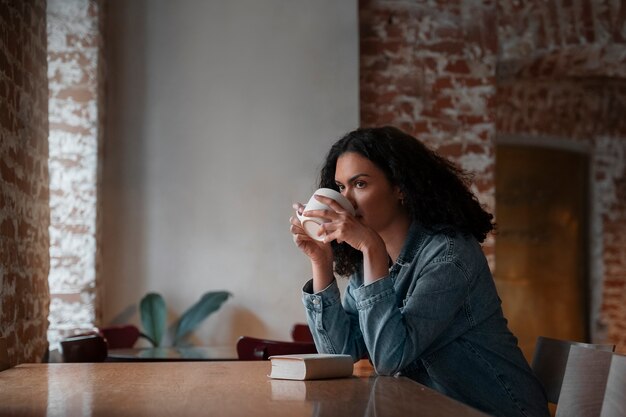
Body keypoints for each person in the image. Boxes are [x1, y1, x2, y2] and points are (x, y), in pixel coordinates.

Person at [289, 126, 549, 417]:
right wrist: (321, 262)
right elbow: (339, 356)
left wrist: (371, 248)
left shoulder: (449, 254)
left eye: (360, 184)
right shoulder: (371, 260)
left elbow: (390, 359)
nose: (346, 200)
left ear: (400, 187)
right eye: (341, 188)